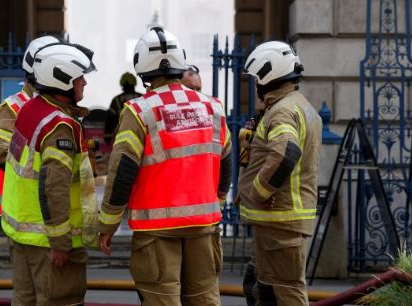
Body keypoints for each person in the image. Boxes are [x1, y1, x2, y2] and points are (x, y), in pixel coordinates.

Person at [98, 27, 233, 306]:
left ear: (143, 70)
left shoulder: (139, 111)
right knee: (204, 299)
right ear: (180, 62)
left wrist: (108, 223)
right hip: (204, 227)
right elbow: (227, 159)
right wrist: (216, 200)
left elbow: (123, 170)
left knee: (162, 301)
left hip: (157, 230)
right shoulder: (212, 107)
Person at [0, 42, 98, 306]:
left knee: (24, 300)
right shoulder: (59, 126)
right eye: (80, 78)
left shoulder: (31, 110)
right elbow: (53, 186)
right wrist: (60, 242)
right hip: (48, 241)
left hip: (22, 234)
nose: (85, 83)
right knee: (61, 300)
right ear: (63, 80)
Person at [234, 41, 322, 306]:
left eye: (256, 79)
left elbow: (286, 153)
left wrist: (259, 192)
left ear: (267, 77)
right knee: (263, 289)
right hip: (279, 222)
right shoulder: (295, 105)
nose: (256, 87)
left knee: (286, 293)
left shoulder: (283, 111)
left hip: (282, 220)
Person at [0, 35, 60, 217]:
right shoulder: (11, 110)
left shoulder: (60, 108)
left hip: (53, 212)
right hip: (24, 213)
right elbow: (3, 155)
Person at [103, 72, 142, 144]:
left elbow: (110, 120)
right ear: (134, 83)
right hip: (141, 136)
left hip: (122, 138)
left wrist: (107, 136)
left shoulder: (116, 100)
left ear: (122, 84)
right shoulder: (141, 97)